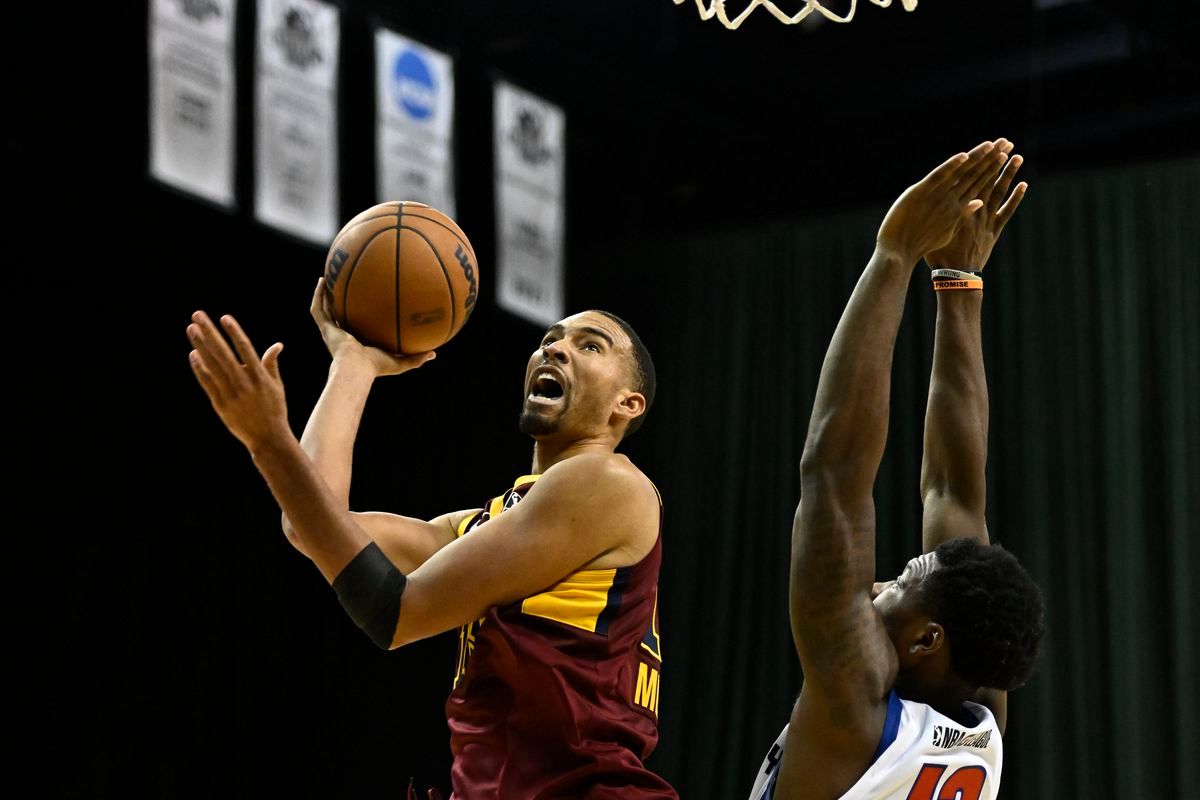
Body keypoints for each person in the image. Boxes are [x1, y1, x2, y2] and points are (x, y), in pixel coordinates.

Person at [186, 295, 677, 799]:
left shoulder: (608, 481)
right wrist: (353, 365)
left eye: (590, 345)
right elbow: (309, 523)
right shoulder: (485, 522)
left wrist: (270, 444)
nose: (554, 349)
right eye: (549, 339)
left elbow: (397, 612)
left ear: (628, 404)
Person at [749, 139, 1045, 800]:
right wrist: (958, 284)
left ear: (925, 640)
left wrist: (894, 253)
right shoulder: (980, 720)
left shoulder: (854, 703)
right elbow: (954, 491)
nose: (880, 583)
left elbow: (836, 473)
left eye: (902, 582)